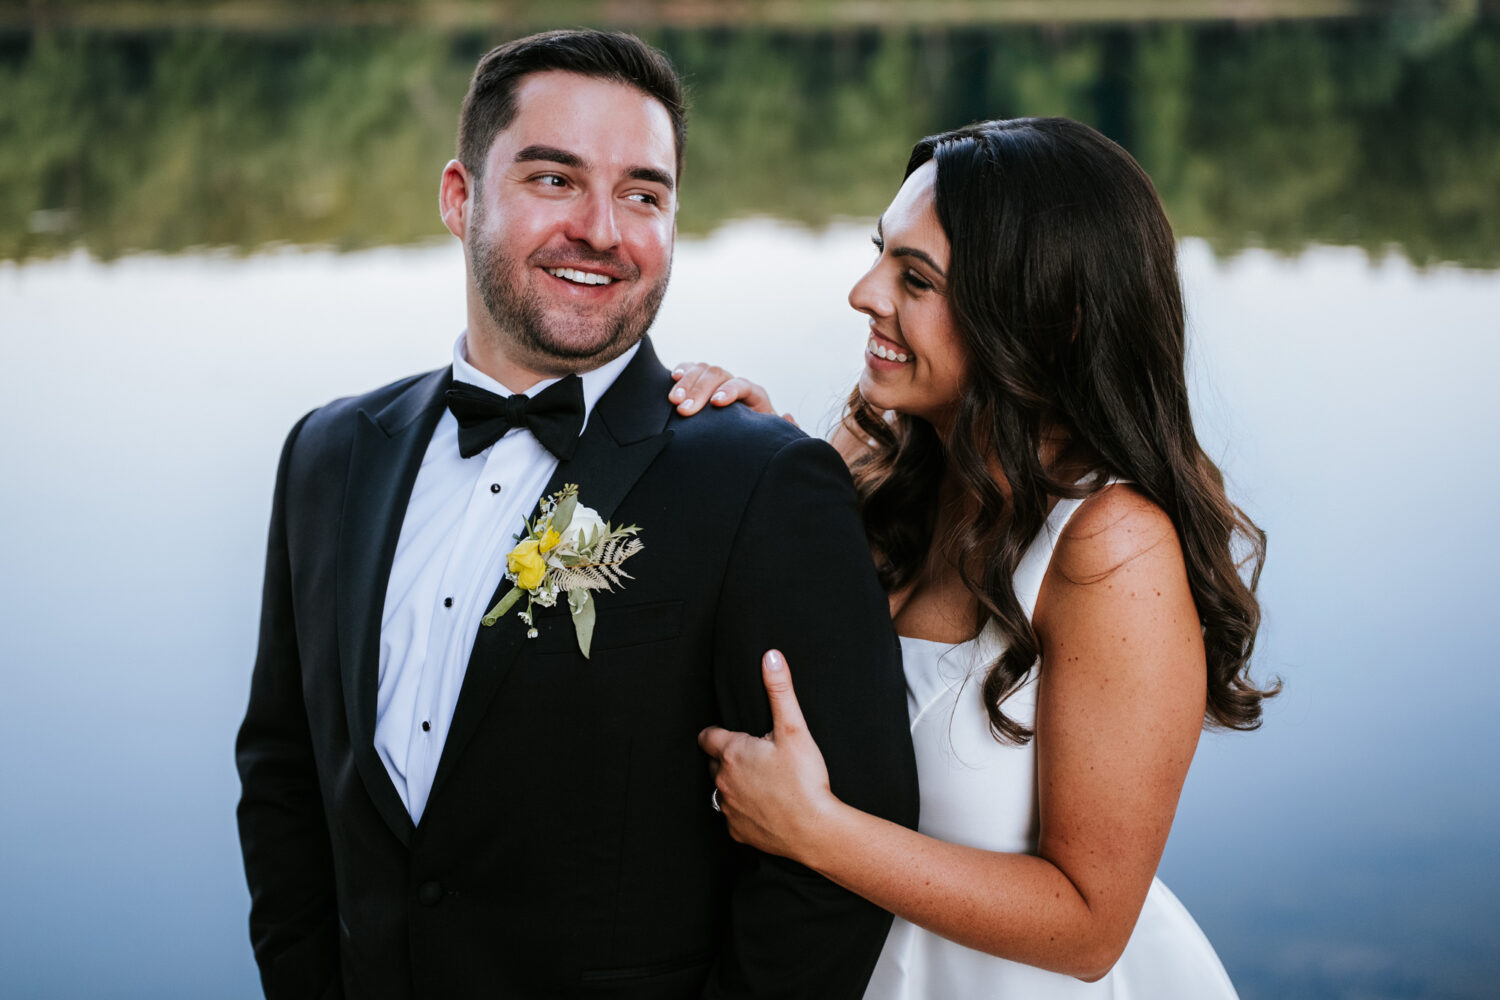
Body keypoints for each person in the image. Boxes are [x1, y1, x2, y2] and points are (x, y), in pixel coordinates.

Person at [234, 29, 918, 1000]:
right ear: (459, 198)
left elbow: (839, 870)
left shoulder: (762, 481)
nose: (603, 228)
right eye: (555, 180)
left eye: (644, 194)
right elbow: (283, 773)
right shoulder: (327, 454)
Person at [681, 117, 1276, 998]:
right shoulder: (873, 462)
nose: (862, 293)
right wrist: (759, 472)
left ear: (1044, 322)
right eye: (881, 253)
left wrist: (814, 830)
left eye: (914, 278)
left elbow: (1088, 926)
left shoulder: (1109, 546)